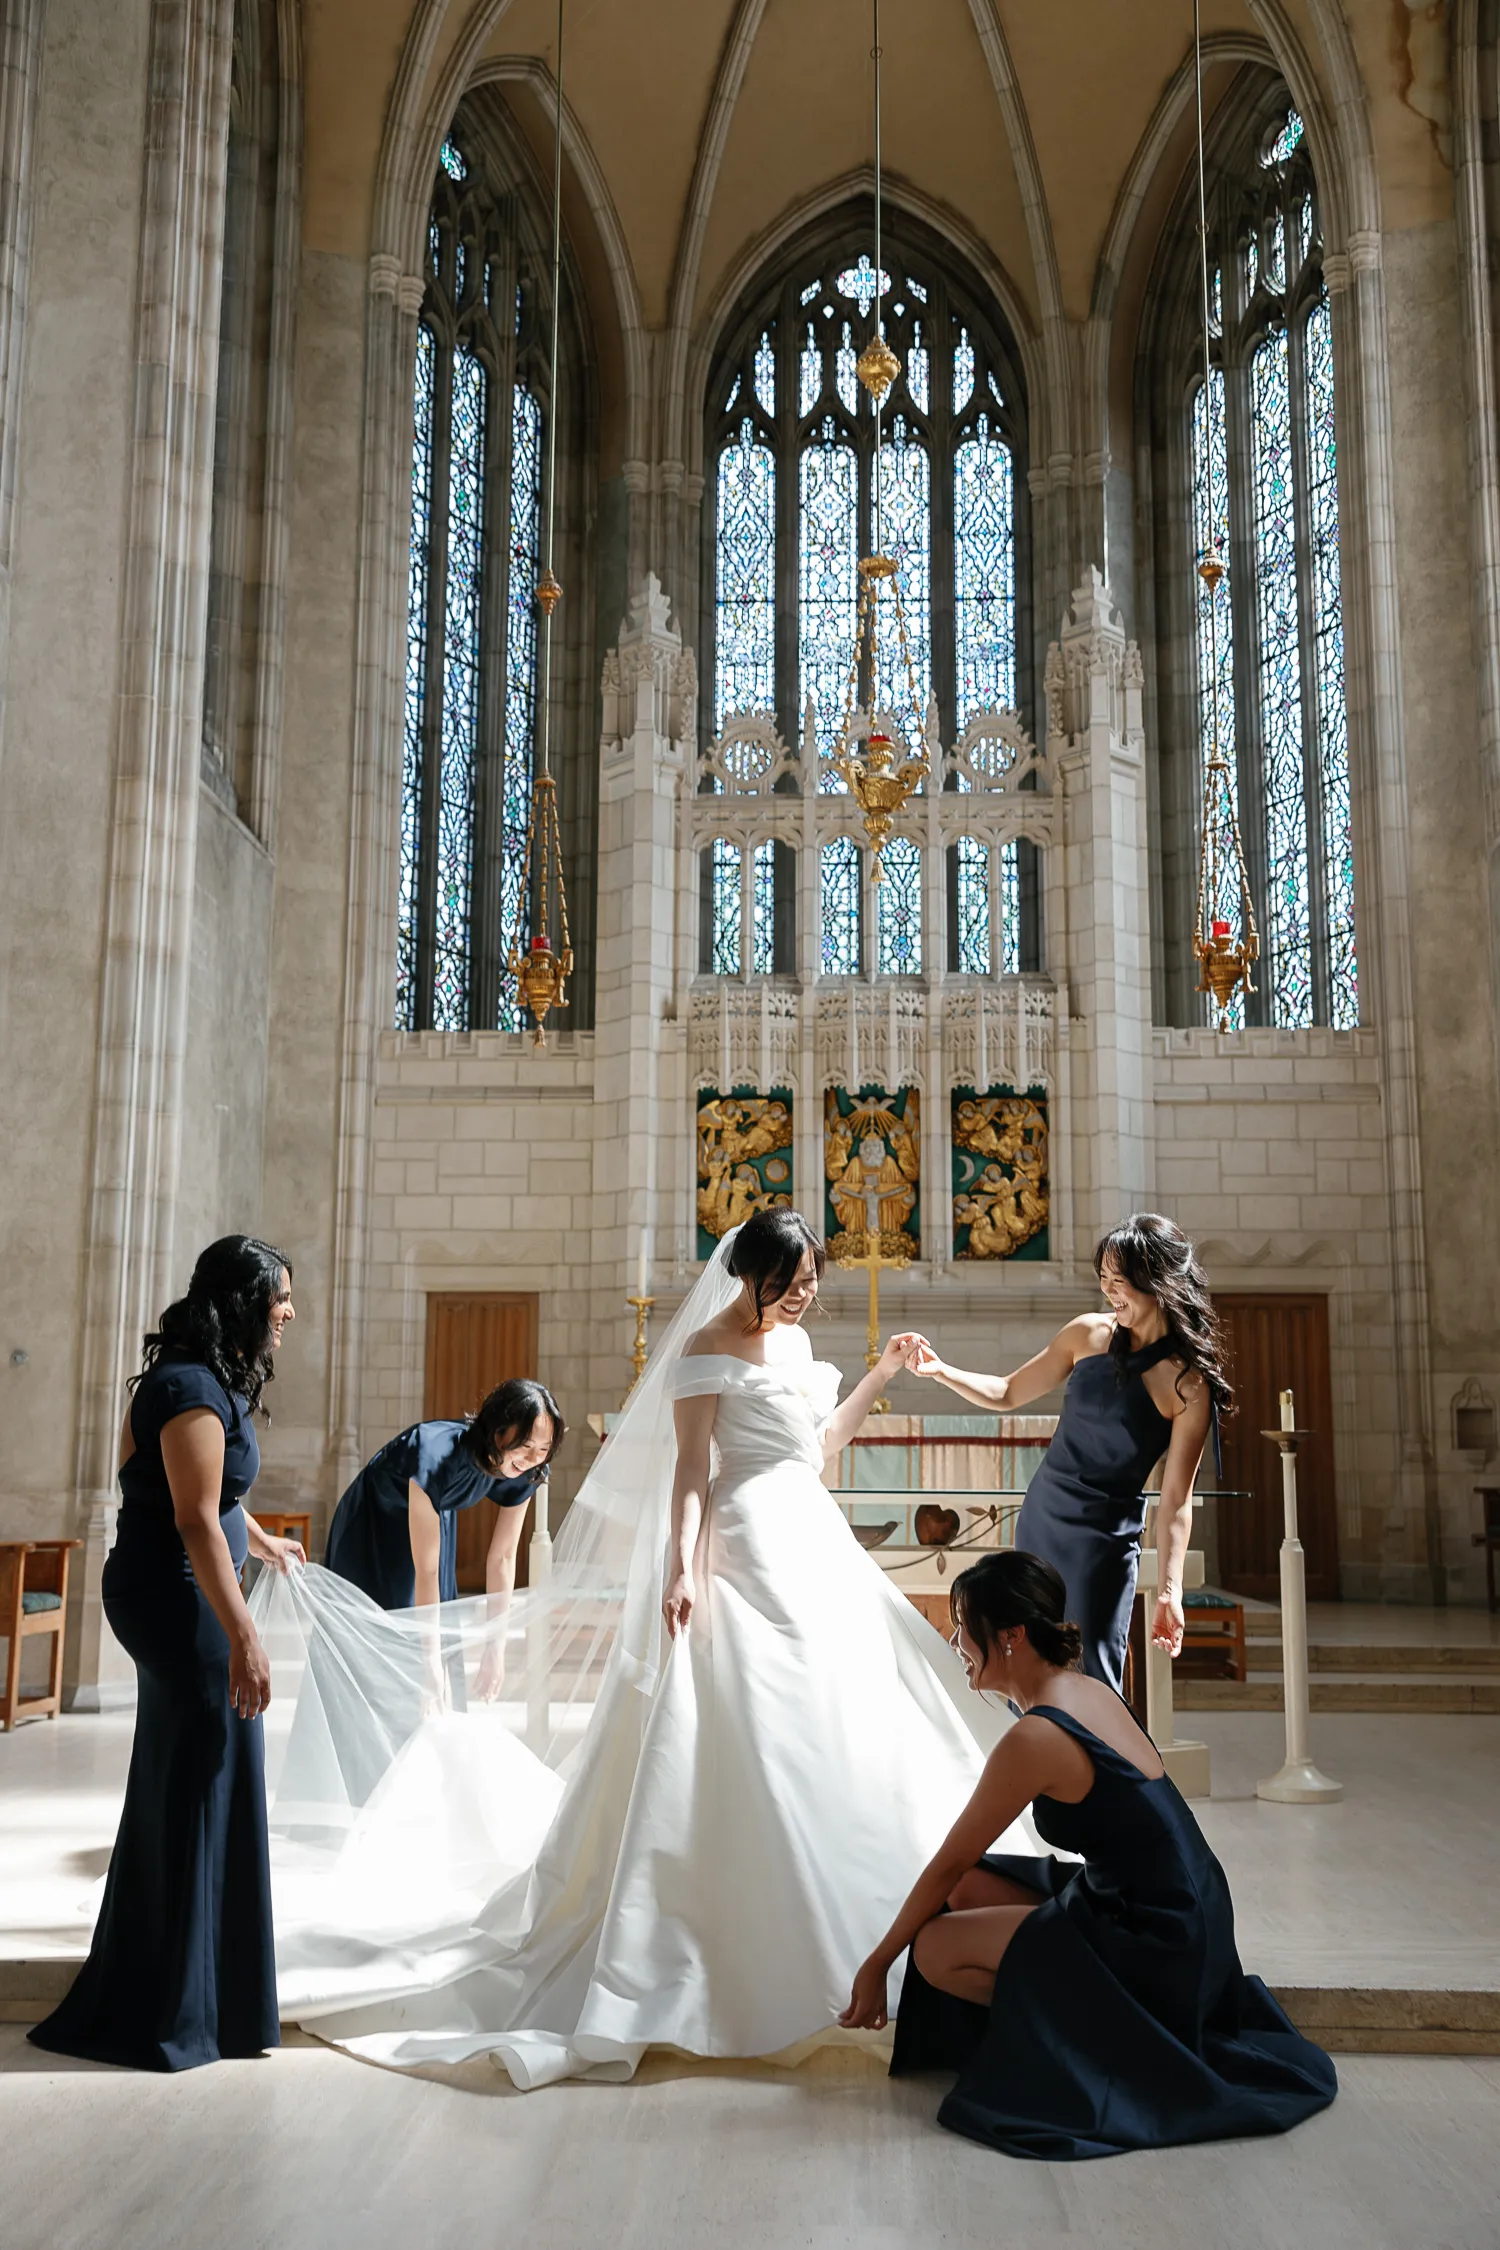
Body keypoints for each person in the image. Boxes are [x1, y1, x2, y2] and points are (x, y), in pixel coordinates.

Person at [251, 1209, 1036, 2085]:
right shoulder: (705, 1349)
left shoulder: (796, 1350)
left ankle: (875, 1914)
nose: (811, 1296)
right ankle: (729, 1941)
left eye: (816, 1281)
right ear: (754, 1278)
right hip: (741, 1544)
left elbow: (814, 1451)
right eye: (796, 1283)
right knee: (751, 1715)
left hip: (809, 1538)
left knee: (853, 1709)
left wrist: (881, 1373)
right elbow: (693, 1472)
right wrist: (684, 1567)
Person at [839, 1549, 1337, 2158]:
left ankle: (1094, 2036)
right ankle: (1064, 2012)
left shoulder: (1037, 1735)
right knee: (967, 1888)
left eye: (965, 1626)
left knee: (936, 1949)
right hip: (1181, 1905)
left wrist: (877, 1963)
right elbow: (959, 1873)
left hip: (1157, 1936)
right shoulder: (1083, 1688)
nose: (955, 1640)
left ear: (1012, 1636)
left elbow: (947, 1856)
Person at [29, 1236, 301, 2071]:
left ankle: (202, 1991)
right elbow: (186, 1515)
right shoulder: (187, 1386)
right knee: (201, 1774)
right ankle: (172, 2007)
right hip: (176, 1598)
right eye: (280, 1298)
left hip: (184, 1590)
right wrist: (247, 1638)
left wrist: (259, 1537)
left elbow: (207, 1496)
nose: (289, 1312)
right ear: (243, 1302)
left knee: (200, 1774)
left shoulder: (200, 1380)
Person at [899, 1212, 1228, 1690]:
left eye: (1121, 1282)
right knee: (1026, 1663)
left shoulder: (1188, 1385)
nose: (1110, 1294)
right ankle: (1035, 1760)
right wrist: (943, 1371)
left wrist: (1171, 1592)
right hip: (1043, 1520)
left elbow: (1175, 1500)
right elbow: (1007, 1392)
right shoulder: (1087, 1334)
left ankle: (1093, 1764)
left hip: (1104, 1543)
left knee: (1092, 1674)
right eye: (1104, 1281)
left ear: (1157, 1283)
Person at [324, 1377, 563, 1611]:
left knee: (437, 1613)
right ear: (498, 1430)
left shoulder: (528, 1468)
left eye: (544, 1448)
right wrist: (432, 1653)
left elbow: (503, 1558)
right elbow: (426, 1572)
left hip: (432, 1512)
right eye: (527, 1445)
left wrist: (495, 1648)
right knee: (381, 1618)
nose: (533, 1458)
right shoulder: (435, 1454)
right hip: (374, 1520)